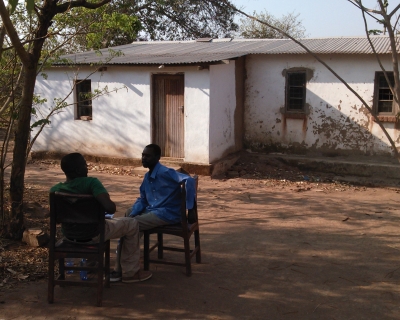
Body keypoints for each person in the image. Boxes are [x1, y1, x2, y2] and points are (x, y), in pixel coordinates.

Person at [50, 152, 152, 283]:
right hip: (94, 234)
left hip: (69, 235)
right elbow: (110, 208)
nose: (87, 167)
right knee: (131, 224)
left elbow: (56, 217)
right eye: (85, 165)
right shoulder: (92, 183)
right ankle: (130, 272)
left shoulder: (55, 190)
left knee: (102, 223)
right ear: (78, 170)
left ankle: (91, 264)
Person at [126, 144, 195, 230]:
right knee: (128, 214)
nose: (144, 158)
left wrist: (191, 209)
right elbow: (143, 199)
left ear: (157, 157)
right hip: (154, 210)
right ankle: (127, 243)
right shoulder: (147, 176)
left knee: (132, 223)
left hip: (169, 213)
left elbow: (189, 180)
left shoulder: (165, 172)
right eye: (143, 155)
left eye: (147, 156)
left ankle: (127, 242)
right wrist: (134, 212)